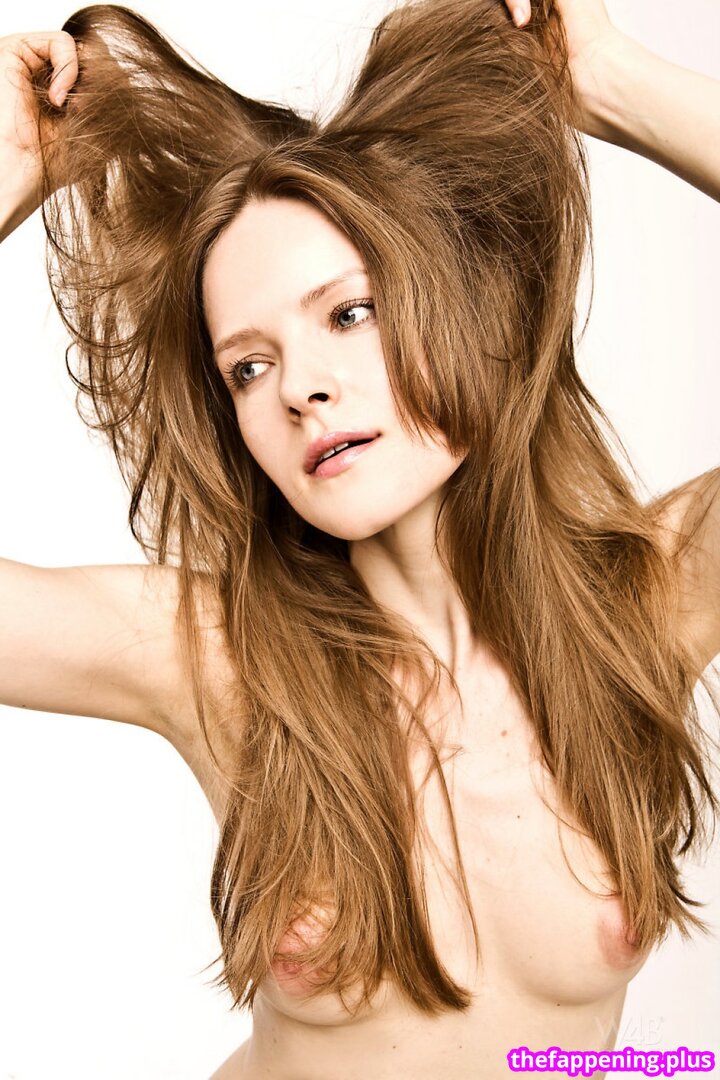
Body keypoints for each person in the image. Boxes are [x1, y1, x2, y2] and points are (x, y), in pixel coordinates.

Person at [0, 0, 718, 1077]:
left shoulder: (647, 604)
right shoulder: (215, 654)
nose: (301, 387)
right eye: (248, 366)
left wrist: (611, 81)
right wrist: (9, 172)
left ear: (459, 305)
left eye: (347, 313)